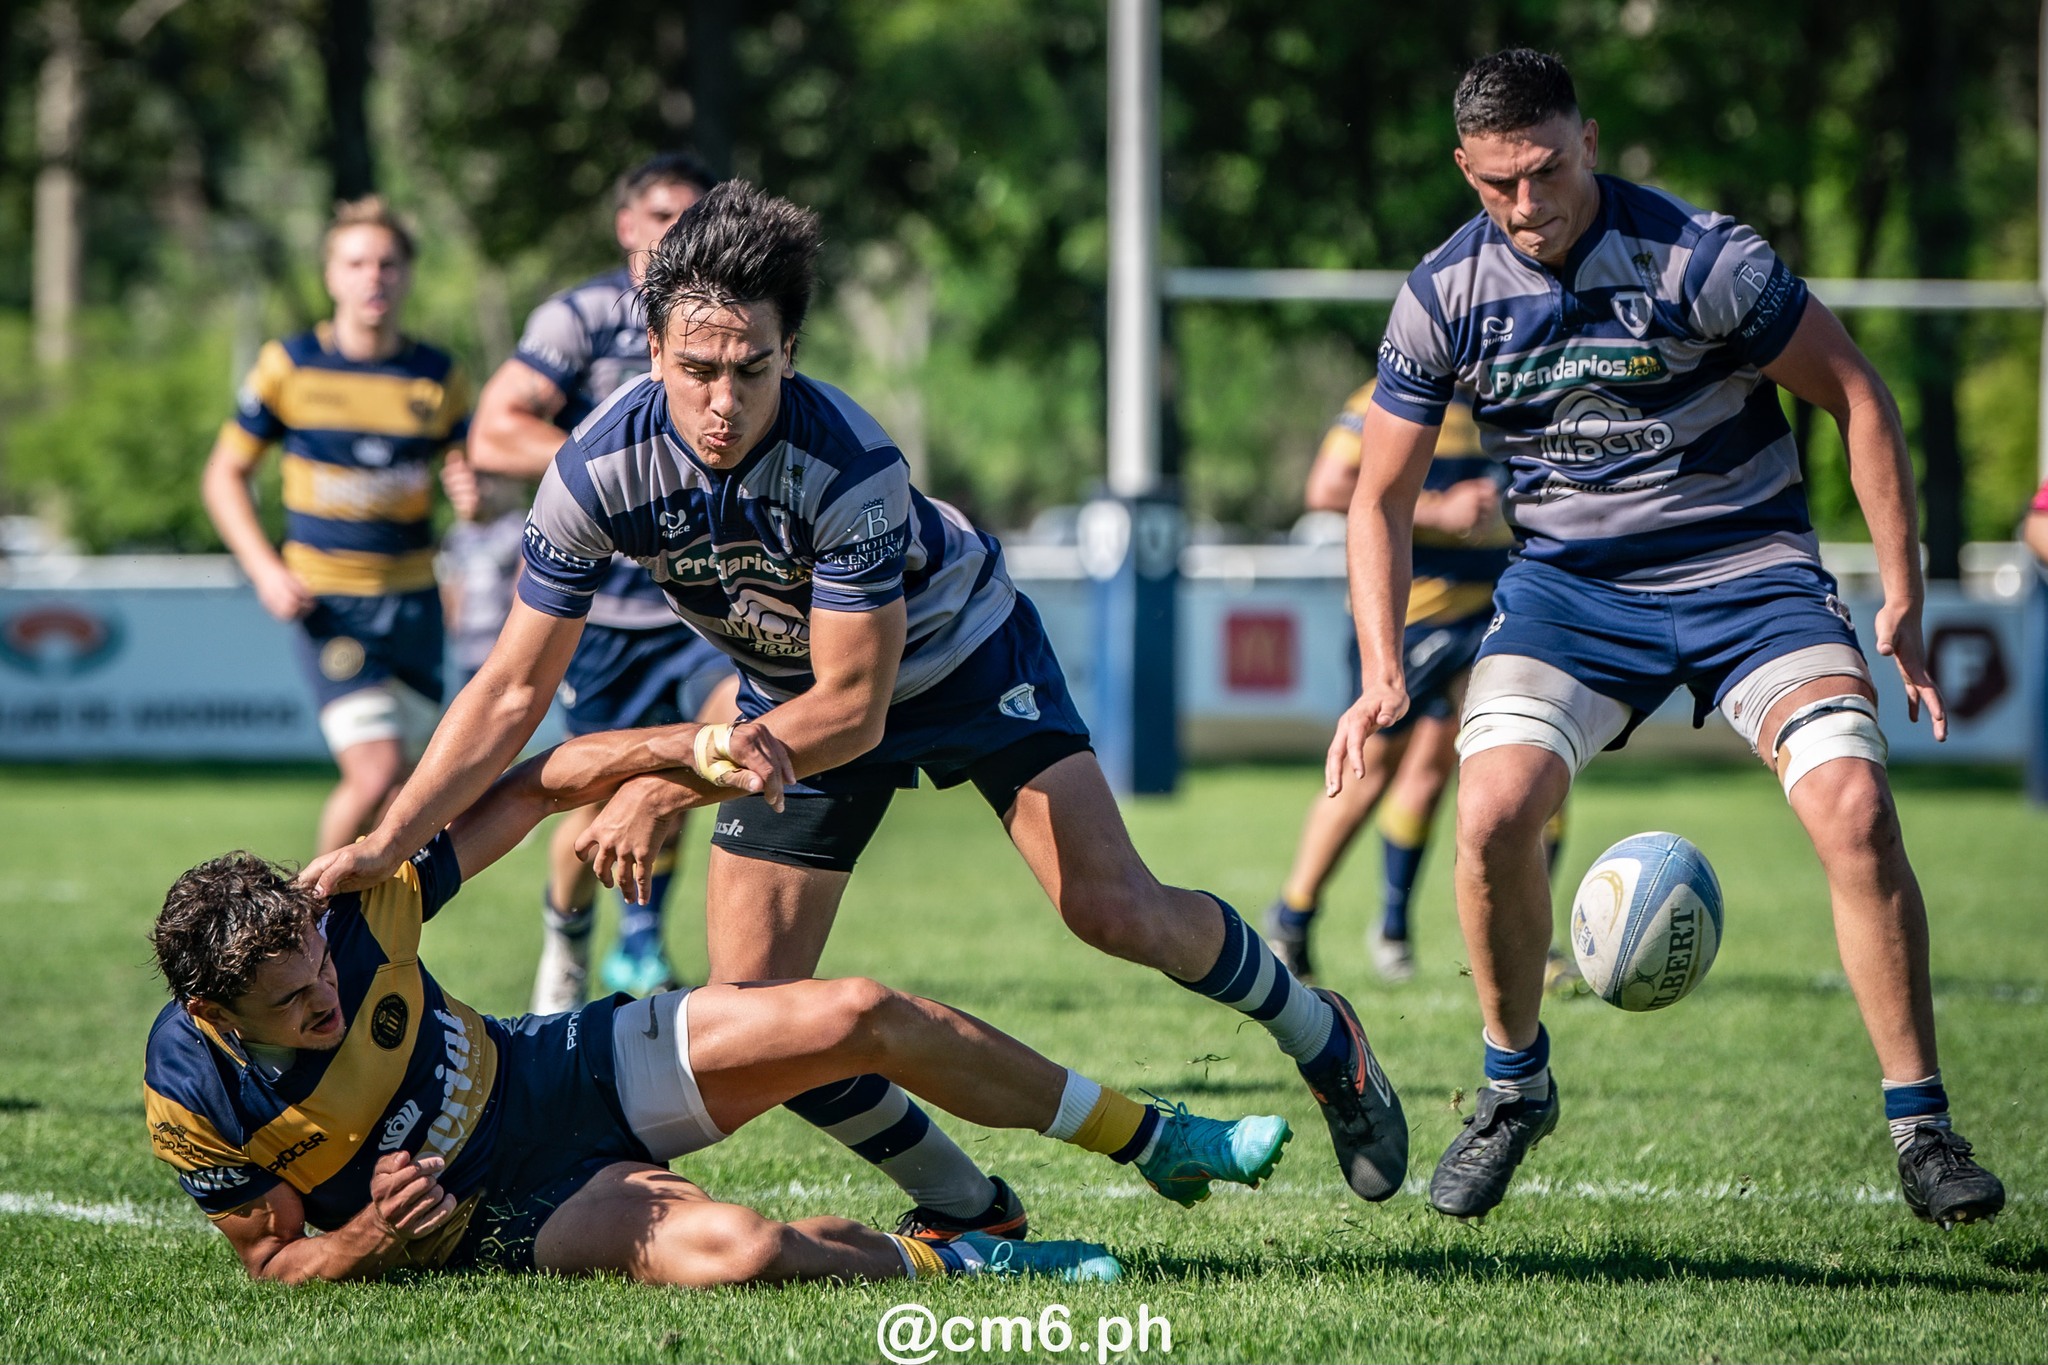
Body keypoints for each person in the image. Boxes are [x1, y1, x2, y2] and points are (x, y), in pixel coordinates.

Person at [302, 180, 1407, 1240]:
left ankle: (1322, 1036)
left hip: (957, 662)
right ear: (650, 354)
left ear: (792, 351)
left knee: (1111, 909)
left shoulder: (846, 463)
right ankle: (971, 1207)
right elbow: (506, 690)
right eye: (696, 370)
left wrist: (665, 780)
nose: (721, 402)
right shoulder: (595, 472)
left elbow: (856, 706)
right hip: (785, 699)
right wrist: (386, 841)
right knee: (759, 1011)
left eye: (750, 368)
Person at [1329, 49, 2004, 1228]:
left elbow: (1853, 393)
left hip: (1747, 577)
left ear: (1587, 140)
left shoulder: (1703, 260)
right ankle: (1510, 1086)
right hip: (1569, 596)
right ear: (1463, 171)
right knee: (1487, 813)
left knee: (1851, 805)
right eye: (1496, 186)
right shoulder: (1441, 295)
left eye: (1543, 172)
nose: (1524, 207)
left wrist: (1897, 593)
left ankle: (1921, 1127)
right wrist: (1380, 671)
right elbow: (1374, 494)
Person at [144, 727, 1296, 1286]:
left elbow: (541, 786)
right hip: (503, 1210)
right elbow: (273, 1266)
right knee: (736, 1253)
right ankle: (964, 1261)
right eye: (293, 1002)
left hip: (551, 1070)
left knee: (850, 1010)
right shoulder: (190, 1090)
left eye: (322, 971)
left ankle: (1154, 1140)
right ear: (217, 1008)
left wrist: (688, 757)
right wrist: (366, 1238)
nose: (327, 997)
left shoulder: (348, 915)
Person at [466, 152, 740, 1008]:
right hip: (602, 620)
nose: (676, 234)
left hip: (702, 612)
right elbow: (492, 428)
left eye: (694, 218)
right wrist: (611, 475)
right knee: (588, 804)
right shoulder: (581, 317)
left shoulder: (728, 321)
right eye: (660, 216)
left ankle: (648, 946)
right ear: (627, 225)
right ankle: (567, 941)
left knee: (725, 737)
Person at [1267, 382, 1570, 985]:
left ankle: (1512, 939)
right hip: (1410, 620)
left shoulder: (1516, 391)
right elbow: (1326, 489)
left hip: (1494, 614)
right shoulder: (1384, 398)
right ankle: (1292, 916)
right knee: (1373, 770)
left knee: (1527, 758)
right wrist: (1441, 510)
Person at [201, 196, 473, 854]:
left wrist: (479, 494)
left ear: (407, 275)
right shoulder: (290, 366)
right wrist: (266, 568)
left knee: (407, 785)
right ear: (331, 276)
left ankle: (368, 944)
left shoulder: (439, 377)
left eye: (387, 263)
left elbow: (475, 483)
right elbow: (222, 475)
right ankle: (306, 921)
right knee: (375, 768)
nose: (372, 277)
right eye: (356, 263)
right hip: (330, 605)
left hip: (413, 604)